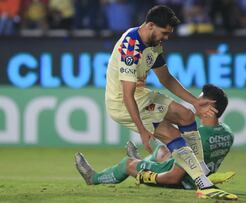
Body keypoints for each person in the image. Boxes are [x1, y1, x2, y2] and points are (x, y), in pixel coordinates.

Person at [77, 5, 237, 200]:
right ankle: (202, 182)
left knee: (186, 114)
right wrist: (142, 130)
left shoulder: (153, 43)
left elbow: (166, 79)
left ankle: (199, 171)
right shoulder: (131, 48)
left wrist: (194, 102)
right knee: (171, 134)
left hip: (141, 96)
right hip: (123, 104)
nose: (167, 37)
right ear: (151, 25)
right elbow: (127, 95)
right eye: (165, 32)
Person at [75, 84, 235, 193]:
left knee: (127, 164)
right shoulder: (227, 132)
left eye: (200, 102)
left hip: (184, 181)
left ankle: (93, 178)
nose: (195, 104)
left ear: (211, 107)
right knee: (162, 150)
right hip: (198, 174)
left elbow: (174, 177)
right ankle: (141, 161)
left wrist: (148, 176)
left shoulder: (199, 137)